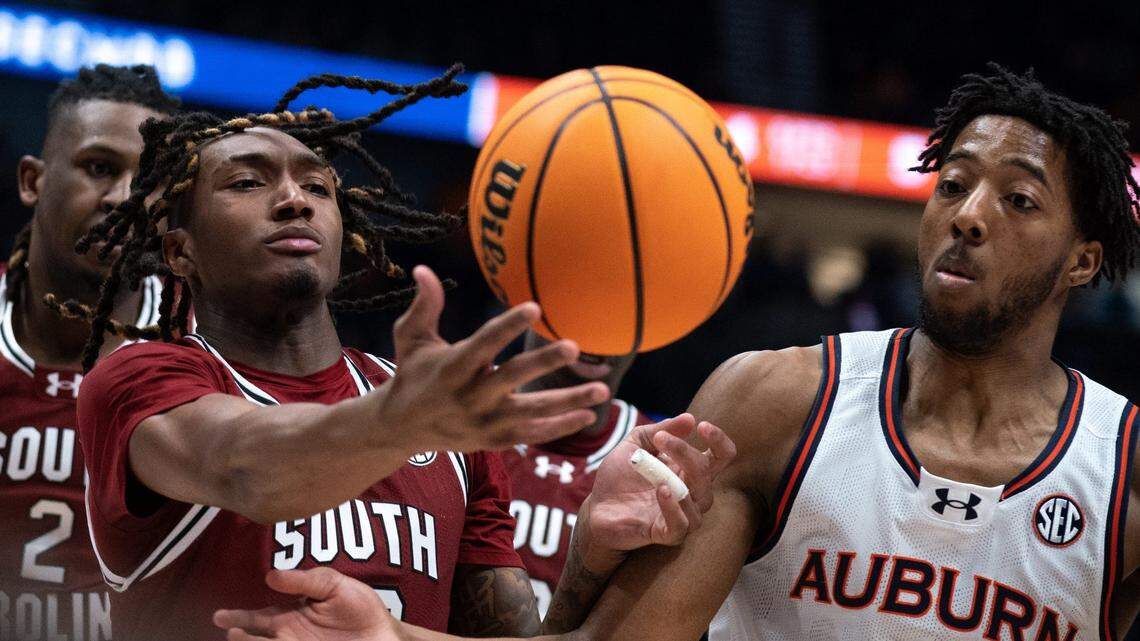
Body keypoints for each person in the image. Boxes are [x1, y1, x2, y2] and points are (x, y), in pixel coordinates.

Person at [215, 63, 1140, 641]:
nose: (969, 215)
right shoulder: (779, 402)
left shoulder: (1125, 473)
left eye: (1018, 200)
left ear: (1084, 259)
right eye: (954, 184)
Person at [68, 66, 734, 641]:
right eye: (247, 182)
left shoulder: (440, 420)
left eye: (318, 186)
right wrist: (404, 422)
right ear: (181, 250)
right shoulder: (137, 381)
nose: (294, 199)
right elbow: (249, 470)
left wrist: (589, 546)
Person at [1, 64, 178, 641]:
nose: (125, 198)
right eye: (100, 168)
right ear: (32, 180)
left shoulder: (212, 345)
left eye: (149, 179)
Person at [499, 333, 647, 618]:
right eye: (579, 301)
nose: (595, 327)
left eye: (618, 311)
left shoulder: (654, 460)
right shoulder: (447, 413)